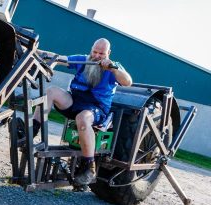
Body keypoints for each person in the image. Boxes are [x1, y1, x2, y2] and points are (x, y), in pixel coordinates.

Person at [20, 38, 132, 186]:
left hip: (96, 108)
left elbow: (128, 82)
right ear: (91, 49)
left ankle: (89, 168)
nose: (97, 56)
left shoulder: (114, 67)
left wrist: (113, 68)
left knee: (83, 118)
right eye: (95, 52)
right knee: (51, 91)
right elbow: (59, 58)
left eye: (102, 54)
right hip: (75, 101)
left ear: (108, 53)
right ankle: (30, 133)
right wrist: (32, 50)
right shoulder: (83, 60)